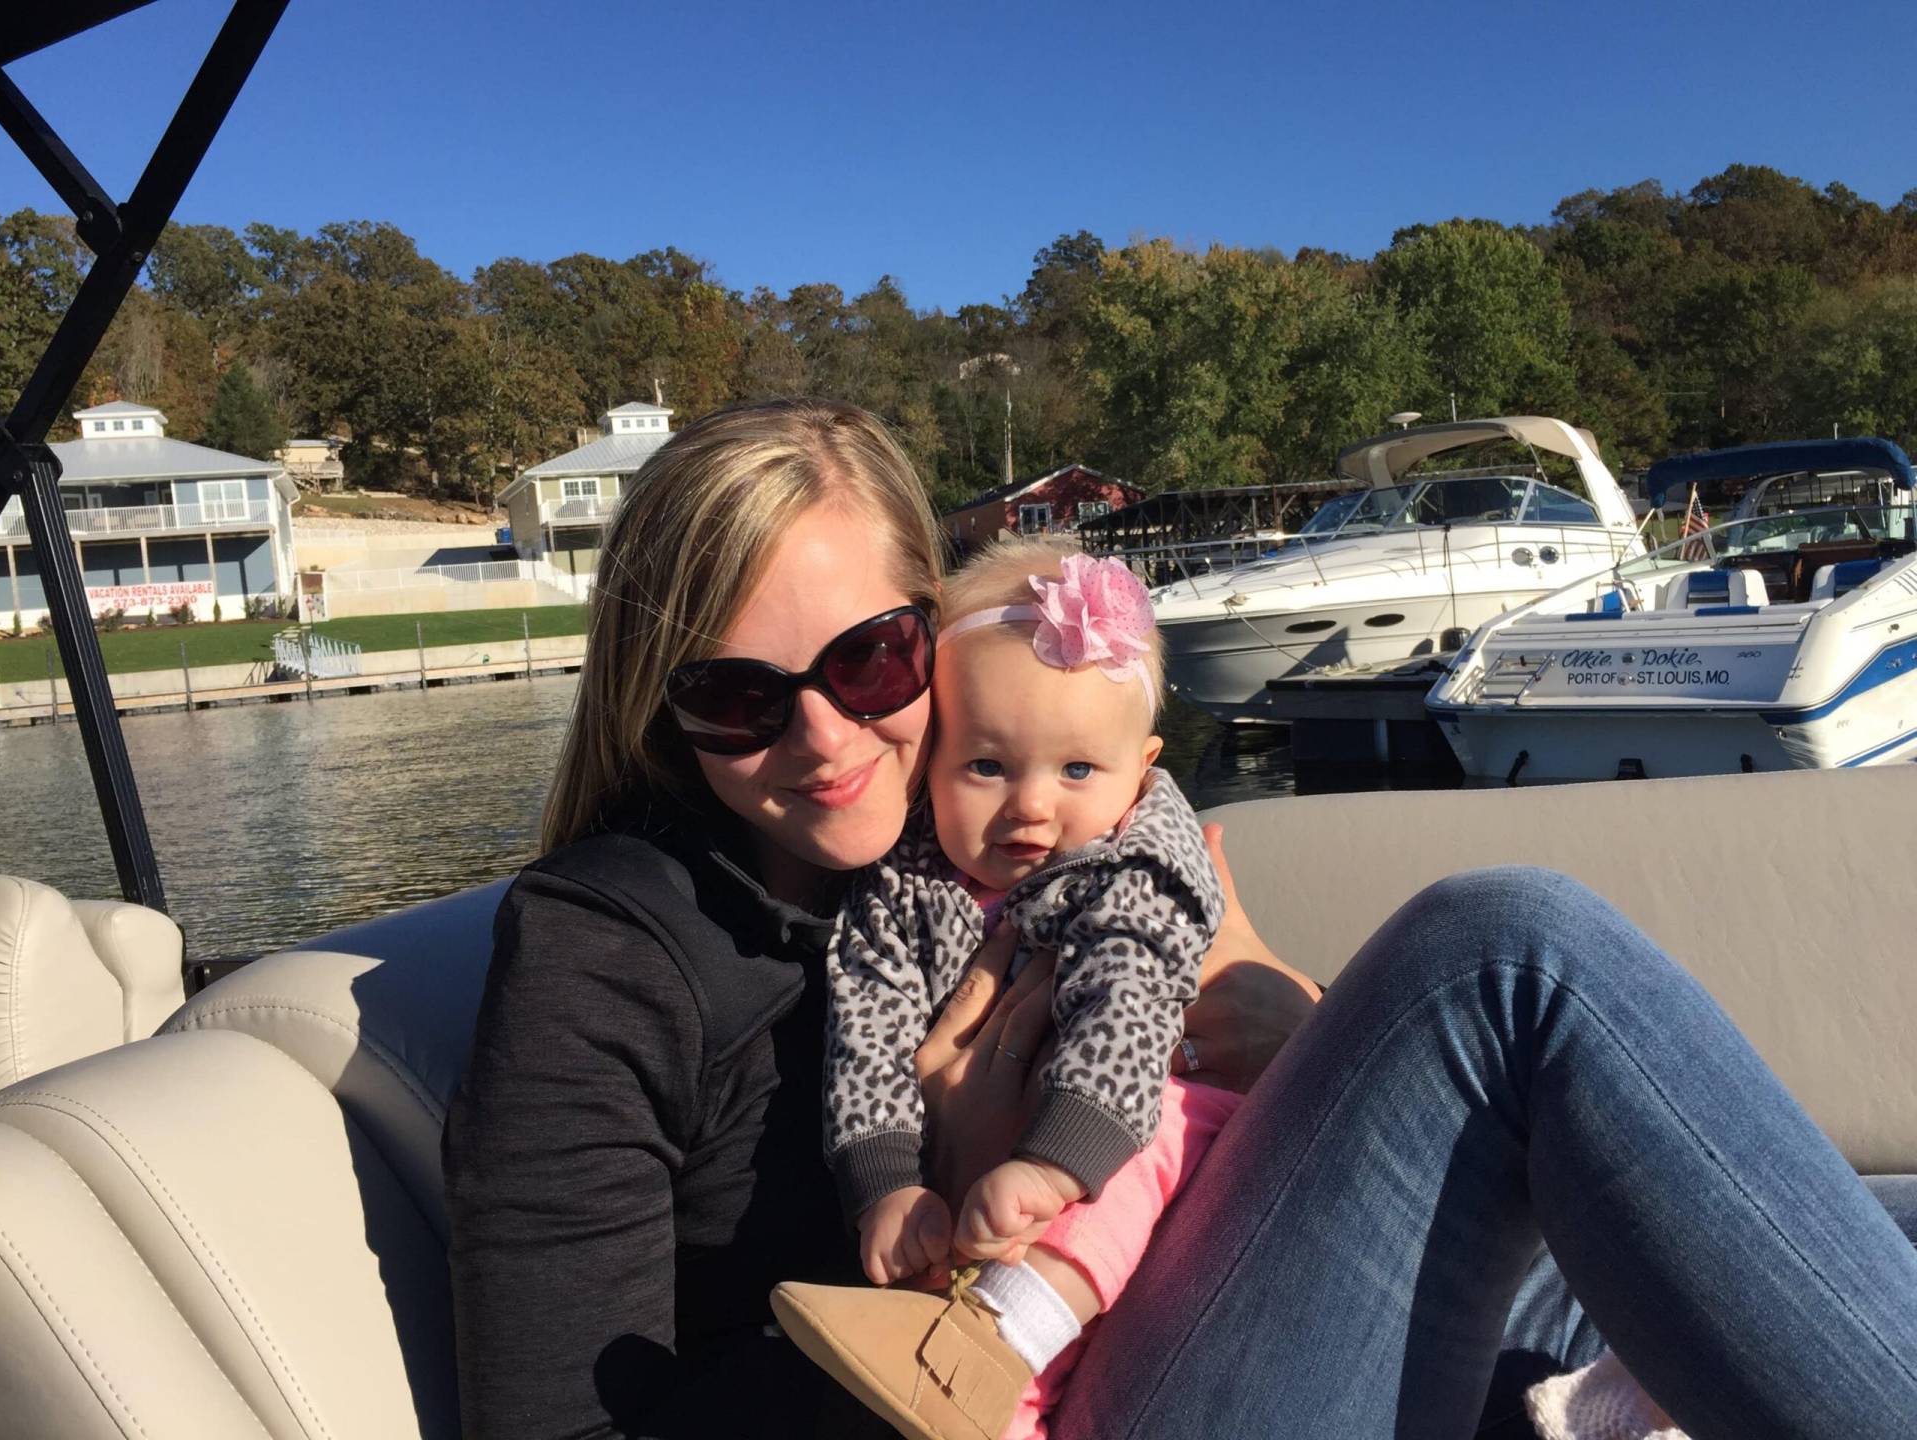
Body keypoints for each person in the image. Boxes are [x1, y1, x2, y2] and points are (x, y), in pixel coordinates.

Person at [444, 398, 1917, 1440]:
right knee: (1507, 962)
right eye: (736, 696)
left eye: (874, 661)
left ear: (948, 639)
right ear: (660, 705)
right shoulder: (603, 956)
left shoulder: (1055, 850)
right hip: (1024, 1391)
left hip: (1201, 1310)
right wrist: (959, 1209)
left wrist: (1303, 1041)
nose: (824, 737)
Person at [773, 539, 1237, 1440]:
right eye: (986, 766)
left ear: (1141, 770)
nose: (1030, 806)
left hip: (1128, 1142)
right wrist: (886, 1184)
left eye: (1076, 771)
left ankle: (998, 1341)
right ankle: (989, 1400)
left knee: (1171, 1122)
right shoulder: (903, 890)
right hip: (983, 1185)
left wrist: (1056, 1158)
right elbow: (866, 1032)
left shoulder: (1132, 872)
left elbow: (1127, 1009)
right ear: (928, 765)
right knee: (964, 1249)